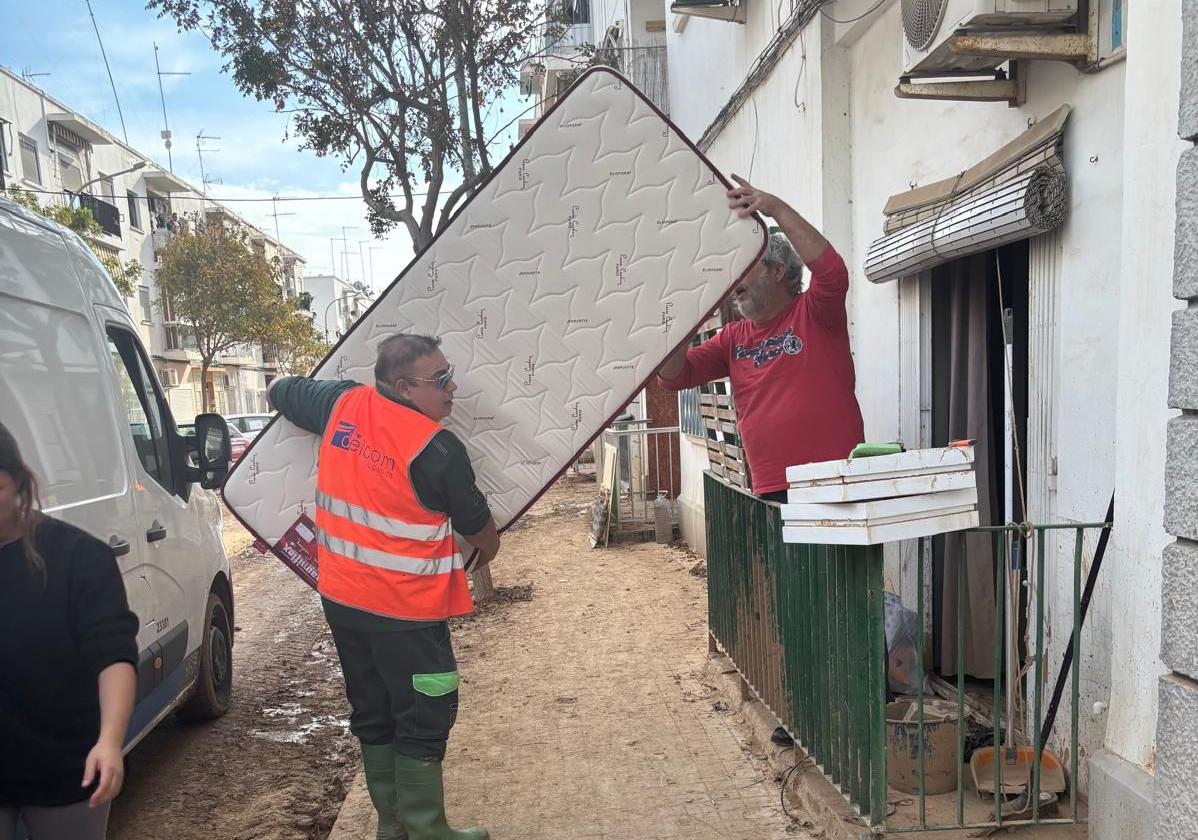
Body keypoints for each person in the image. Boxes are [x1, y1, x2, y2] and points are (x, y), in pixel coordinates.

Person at [269, 333, 499, 840]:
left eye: (448, 373)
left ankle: (392, 825)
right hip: (406, 609)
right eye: (440, 381)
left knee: (372, 708)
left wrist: (286, 387)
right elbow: (480, 530)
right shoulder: (437, 449)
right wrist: (492, 548)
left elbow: (284, 391)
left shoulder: (341, 403)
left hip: (343, 600)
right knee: (426, 706)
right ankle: (426, 828)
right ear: (403, 387)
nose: (452, 386)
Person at [657, 175, 865, 501]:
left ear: (777, 271)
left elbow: (832, 271)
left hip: (836, 480)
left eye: (744, 267)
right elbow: (671, 376)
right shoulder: (733, 338)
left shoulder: (815, 312)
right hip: (770, 490)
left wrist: (775, 208)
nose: (733, 280)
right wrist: (686, 316)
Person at [0, 422, 138, 840]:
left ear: (19, 481)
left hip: (66, 766)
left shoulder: (79, 558)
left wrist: (110, 740)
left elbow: (113, 654)